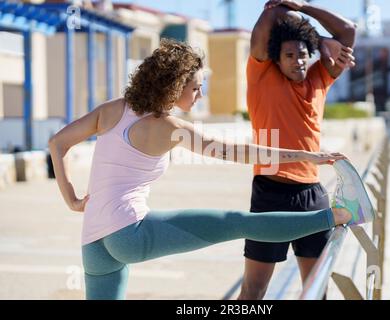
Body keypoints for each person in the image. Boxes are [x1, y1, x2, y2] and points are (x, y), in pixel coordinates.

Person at [49, 39, 356, 300]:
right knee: (239, 223)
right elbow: (237, 152)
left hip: (92, 240)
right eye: (196, 87)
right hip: (129, 233)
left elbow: (58, 143)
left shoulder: (113, 109)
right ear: (174, 85)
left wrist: (72, 200)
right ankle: (337, 215)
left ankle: (335, 215)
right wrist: (305, 155)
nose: (200, 95)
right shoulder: (168, 127)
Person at [238, 0, 357, 300]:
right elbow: (273, 12)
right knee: (254, 291)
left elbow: (349, 30)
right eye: (289, 56)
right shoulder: (261, 75)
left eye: (303, 54)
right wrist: (321, 39)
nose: (298, 61)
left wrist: (306, 9)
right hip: (270, 194)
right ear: (275, 59)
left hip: (313, 196)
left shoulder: (320, 77)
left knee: (316, 291)